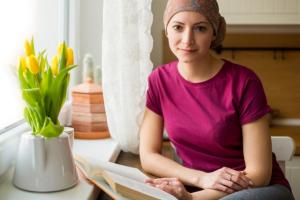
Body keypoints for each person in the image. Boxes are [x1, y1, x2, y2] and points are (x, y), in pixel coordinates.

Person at [139, 0, 295, 199]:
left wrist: (192, 198)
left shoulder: (244, 81)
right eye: (178, 27)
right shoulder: (159, 80)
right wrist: (201, 179)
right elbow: (148, 156)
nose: (187, 40)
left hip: (256, 191)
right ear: (167, 30)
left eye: (200, 28)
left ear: (214, 33)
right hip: (201, 189)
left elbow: (259, 174)